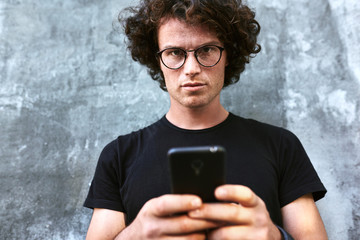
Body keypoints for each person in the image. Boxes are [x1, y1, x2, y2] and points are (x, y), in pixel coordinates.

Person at [84, 0, 328, 239]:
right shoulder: (118, 156)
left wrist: (275, 236)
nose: (191, 68)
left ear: (228, 55)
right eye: (175, 53)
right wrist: (136, 235)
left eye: (207, 50)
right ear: (157, 58)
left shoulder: (281, 145)